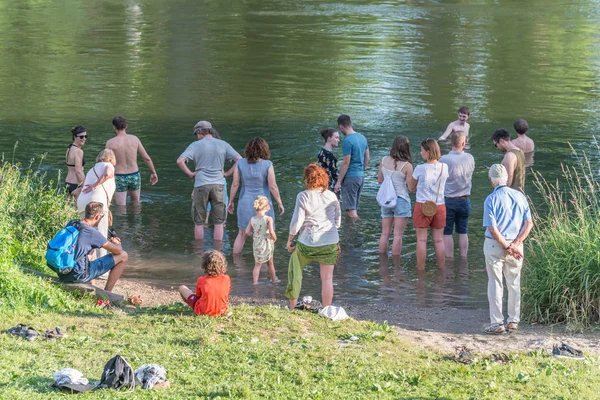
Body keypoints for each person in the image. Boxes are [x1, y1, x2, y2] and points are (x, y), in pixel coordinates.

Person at [483, 164, 533, 334]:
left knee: (495, 283)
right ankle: (513, 321)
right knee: (514, 283)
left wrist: (505, 246)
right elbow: (529, 223)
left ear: (491, 181)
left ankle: (497, 323)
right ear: (507, 179)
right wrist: (515, 244)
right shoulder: (520, 196)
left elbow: (492, 228)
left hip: (495, 245)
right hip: (516, 245)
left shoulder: (490, 199)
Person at [286, 164, 341, 309]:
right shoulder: (332, 196)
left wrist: (290, 240)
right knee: (327, 278)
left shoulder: (303, 196)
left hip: (308, 242)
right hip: (330, 242)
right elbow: (338, 220)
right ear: (323, 178)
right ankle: (327, 309)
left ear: (307, 180)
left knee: (295, 267)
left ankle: (292, 306)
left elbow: (297, 222)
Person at [177, 120, 241, 241]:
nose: (197, 137)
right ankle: (218, 252)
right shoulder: (223, 144)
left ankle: (199, 252)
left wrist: (191, 174)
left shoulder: (195, 145)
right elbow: (239, 159)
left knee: (199, 222)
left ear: (200, 131)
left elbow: (180, 161)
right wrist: (226, 173)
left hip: (201, 185)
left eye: (196, 134)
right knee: (219, 222)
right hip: (219, 184)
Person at [228, 137, 284, 253]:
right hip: (263, 203)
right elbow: (273, 186)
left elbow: (235, 184)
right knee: (265, 234)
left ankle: (237, 264)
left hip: (245, 202)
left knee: (242, 233)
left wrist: (230, 201)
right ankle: (263, 266)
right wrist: (279, 202)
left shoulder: (240, 163)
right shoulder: (267, 164)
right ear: (264, 150)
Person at [58, 202, 128, 292]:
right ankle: (107, 293)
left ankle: (91, 284)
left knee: (92, 249)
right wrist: (116, 243)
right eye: (102, 217)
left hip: (63, 271)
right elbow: (118, 251)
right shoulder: (91, 232)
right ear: (97, 217)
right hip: (78, 275)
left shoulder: (72, 223)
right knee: (123, 256)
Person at [408, 139, 449, 270]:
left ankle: (421, 272)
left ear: (428, 151)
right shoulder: (445, 167)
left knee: (421, 240)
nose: (420, 153)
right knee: (439, 240)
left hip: (422, 206)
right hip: (439, 206)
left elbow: (410, 187)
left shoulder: (420, 168)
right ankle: (441, 270)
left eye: (422, 150)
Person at [105, 116, 158, 206]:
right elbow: (147, 158)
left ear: (114, 127)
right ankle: (136, 219)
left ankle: (122, 220)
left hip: (119, 176)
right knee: (136, 203)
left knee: (120, 206)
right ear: (126, 126)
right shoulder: (135, 139)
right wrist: (153, 173)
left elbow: (105, 163)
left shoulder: (110, 143)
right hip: (134, 175)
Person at [439, 131, 475, 259]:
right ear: (464, 143)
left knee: (447, 232)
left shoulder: (444, 159)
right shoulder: (470, 158)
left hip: (448, 200)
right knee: (463, 231)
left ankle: (449, 260)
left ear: (450, 142)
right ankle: (463, 259)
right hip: (465, 200)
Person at [377, 136, 414, 256]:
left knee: (384, 234)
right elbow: (410, 188)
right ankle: (396, 266)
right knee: (397, 235)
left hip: (387, 200)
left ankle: (382, 263)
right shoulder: (407, 166)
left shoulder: (383, 160)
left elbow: (380, 180)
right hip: (401, 200)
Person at [78, 149, 117, 260]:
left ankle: (86, 265)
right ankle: (102, 271)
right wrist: (95, 186)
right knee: (101, 236)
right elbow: (108, 173)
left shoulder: (92, 169)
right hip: (97, 203)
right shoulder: (109, 165)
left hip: (82, 202)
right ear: (112, 159)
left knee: (86, 235)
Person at [333, 114, 369, 219]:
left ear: (341, 127)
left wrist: (338, 182)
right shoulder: (362, 137)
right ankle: (352, 233)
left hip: (350, 178)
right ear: (350, 123)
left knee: (351, 211)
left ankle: (357, 231)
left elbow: (346, 163)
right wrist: (361, 170)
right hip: (360, 177)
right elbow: (367, 158)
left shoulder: (347, 141)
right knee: (354, 208)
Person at [178, 250, 231, 316]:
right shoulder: (227, 279)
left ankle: (194, 308)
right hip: (222, 311)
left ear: (204, 265)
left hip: (203, 311)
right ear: (223, 264)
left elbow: (198, 296)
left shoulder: (201, 280)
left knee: (182, 287)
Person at [245, 195, 278, 284]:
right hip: (266, 243)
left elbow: (247, 232)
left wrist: (254, 236)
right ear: (266, 207)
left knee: (257, 264)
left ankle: (255, 282)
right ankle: (274, 280)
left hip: (257, 243)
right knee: (270, 263)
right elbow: (271, 232)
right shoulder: (268, 219)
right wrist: (274, 238)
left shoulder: (252, 219)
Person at [491, 128, 525, 192]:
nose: (497, 148)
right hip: (519, 195)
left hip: (510, 197)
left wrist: (492, 176)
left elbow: (507, 183)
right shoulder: (520, 151)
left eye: (496, 145)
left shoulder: (509, 156)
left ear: (501, 141)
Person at [65, 126, 87, 199]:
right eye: (81, 137)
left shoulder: (69, 148)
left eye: (85, 136)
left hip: (67, 183)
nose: (84, 139)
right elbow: (78, 172)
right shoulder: (79, 151)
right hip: (76, 185)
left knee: (68, 209)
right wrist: (84, 186)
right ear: (75, 137)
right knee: (79, 210)